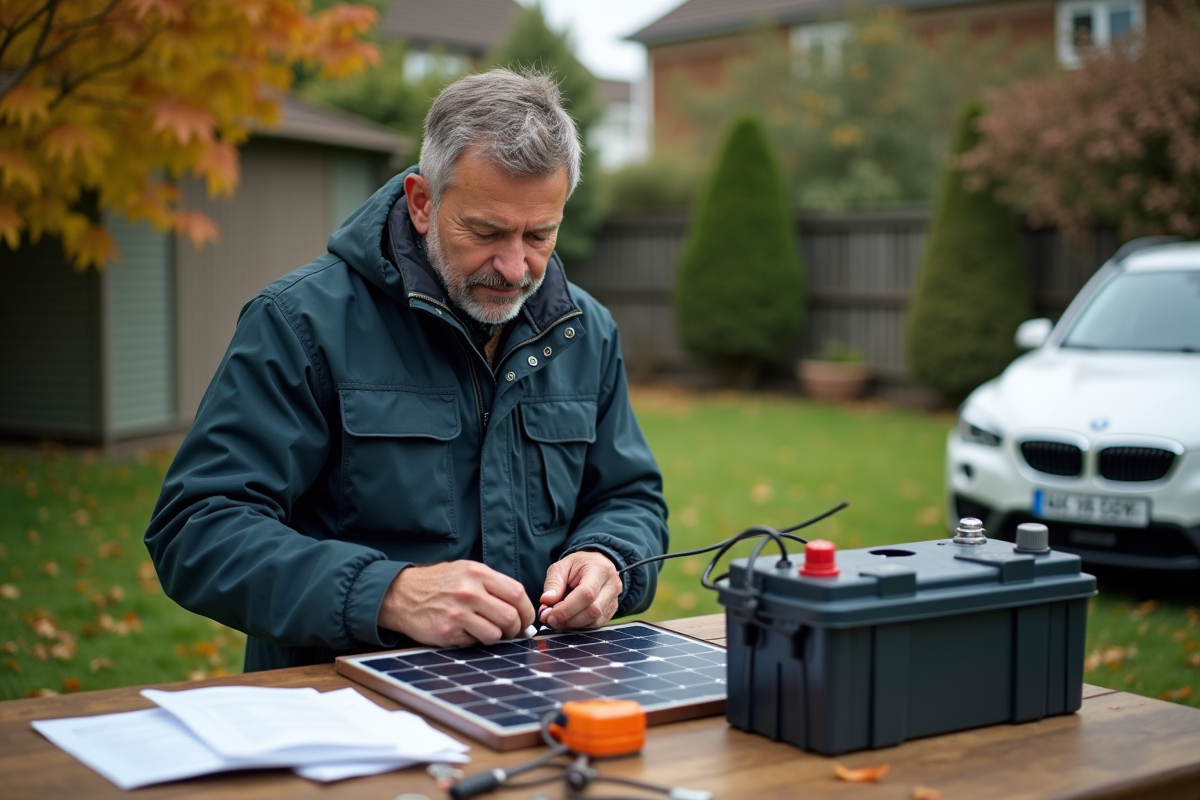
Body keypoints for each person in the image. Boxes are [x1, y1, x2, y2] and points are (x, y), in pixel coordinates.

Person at [145, 69, 669, 672]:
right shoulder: (299, 323)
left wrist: (608, 557)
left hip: (534, 697)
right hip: (340, 714)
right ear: (423, 203)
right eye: (486, 231)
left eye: (540, 234)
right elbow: (197, 530)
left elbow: (629, 497)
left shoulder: (587, 332)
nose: (515, 266)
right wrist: (387, 594)